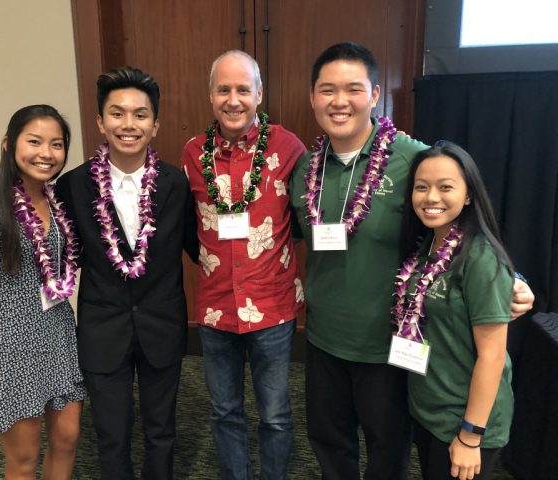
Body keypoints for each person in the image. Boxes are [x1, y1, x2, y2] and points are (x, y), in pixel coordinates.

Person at [289, 42, 534, 480]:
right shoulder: (307, 167)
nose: (339, 101)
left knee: (388, 453)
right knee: (329, 446)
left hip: (390, 347)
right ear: (312, 97)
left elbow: (458, 218)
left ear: (376, 93)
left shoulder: (411, 159)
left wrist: (511, 278)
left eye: (353, 88)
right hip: (324, 340)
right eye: (327, 90)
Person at [56, 66, 198, 480]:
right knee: (111, 434)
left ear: (156, 124)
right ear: (101, 121)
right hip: (102, 327)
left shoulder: (176, 184)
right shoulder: (73, 186)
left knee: (161, 431)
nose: (128, 124)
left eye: (140, 114)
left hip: (163, 323)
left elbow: (199, 246)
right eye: (117, 114)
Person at [180, 50, 306, 480]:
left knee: (274, 413)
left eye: (242, 89)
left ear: (259, 94)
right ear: (211, 95)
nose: (233, 100)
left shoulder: (288, 147)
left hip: (272, 305)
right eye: (223, 89)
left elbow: (307, 220)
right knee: (225, 410)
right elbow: (185, 224)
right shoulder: (193, 153)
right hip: (216, 308)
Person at [0, 104, 85, 480]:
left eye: (57, 144)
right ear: (8, 144)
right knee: (24, 458)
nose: (46, 153)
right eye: (34, 141)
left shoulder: (58, 203)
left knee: (67, 439)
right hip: (12, 346)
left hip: (59, 336)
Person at [394, 141, 514, 480]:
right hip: (430, 409)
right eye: (422, 187)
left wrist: (471, 435)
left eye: (446, 187)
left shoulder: (480, 257)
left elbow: (492, 355)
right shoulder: (425, 246)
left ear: (469, 195)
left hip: (466, 421)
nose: (431, 197)